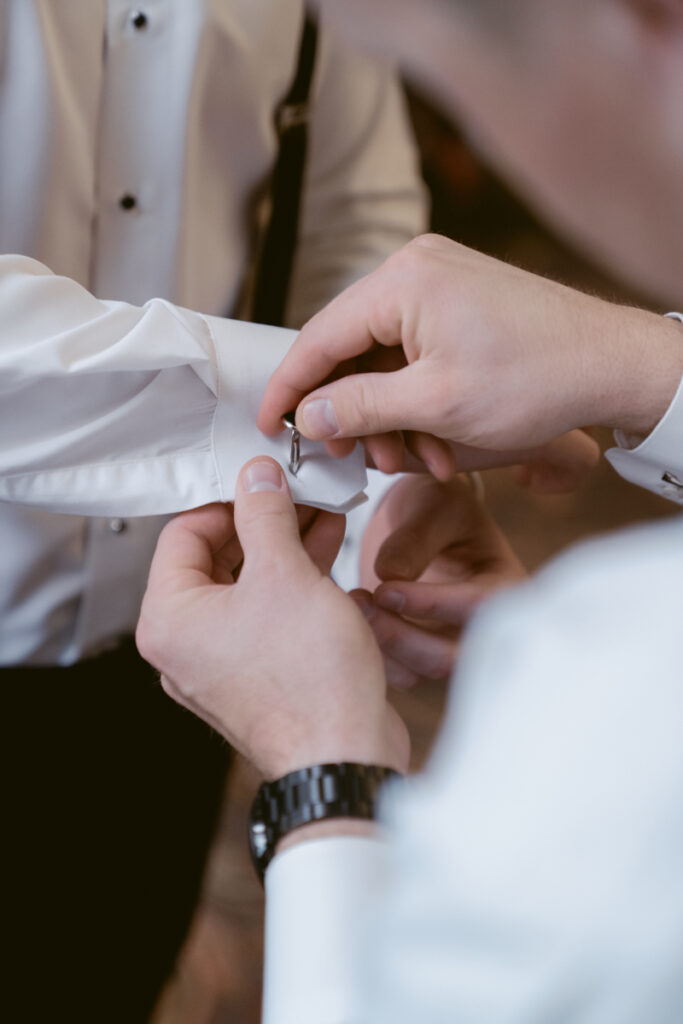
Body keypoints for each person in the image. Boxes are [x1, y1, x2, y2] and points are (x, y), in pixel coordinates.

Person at [137, 0, 683, 1019]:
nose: (481, 142)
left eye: (461, 94)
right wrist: (645, 370)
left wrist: (322, 771)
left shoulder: (616, 730)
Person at [0, 3, 427, 1019]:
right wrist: (330, 424)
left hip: (188, 674)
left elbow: (354, 227)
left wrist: (391, 494)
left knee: (106, 975)